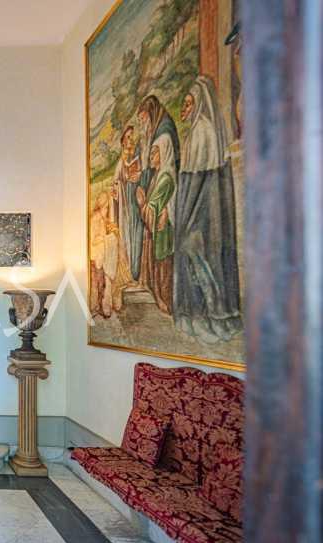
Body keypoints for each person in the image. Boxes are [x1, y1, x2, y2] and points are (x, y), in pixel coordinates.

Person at [174, 76, 242, 343]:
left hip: (201, 215)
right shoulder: (196, 132)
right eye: (184, 103)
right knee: (198, 259)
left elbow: (197, 183)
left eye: (189, 103)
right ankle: (204, 316)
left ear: (200, 104)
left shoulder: (202, 132)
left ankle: (210, 316)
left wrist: (185, 220)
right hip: (201, 215)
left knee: (196, 255)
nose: (184, 109)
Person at [137, 141, 175, 314]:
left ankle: (164, 299)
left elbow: (151, 210)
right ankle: (159, 296)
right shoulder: (156, 177)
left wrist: (141, 203)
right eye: (151, 153)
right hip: (157, 232)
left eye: (155, 153)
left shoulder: (165, 178)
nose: (151, 157)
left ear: (164, 153)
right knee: (158, 265)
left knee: (163, 266)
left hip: (162, 232)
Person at [112, 126, 142, 283]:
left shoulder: (137, 157)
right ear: (123, 141)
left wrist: (138, 176)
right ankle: (130, 272)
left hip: (135, 204)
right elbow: (115, 184)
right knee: (127, 235)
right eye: (128, 137)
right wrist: (118, 187)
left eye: (132, 136)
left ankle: (137, 271)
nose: (131, 140)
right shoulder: (120, 162)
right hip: (125, 207)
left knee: (136, 234)